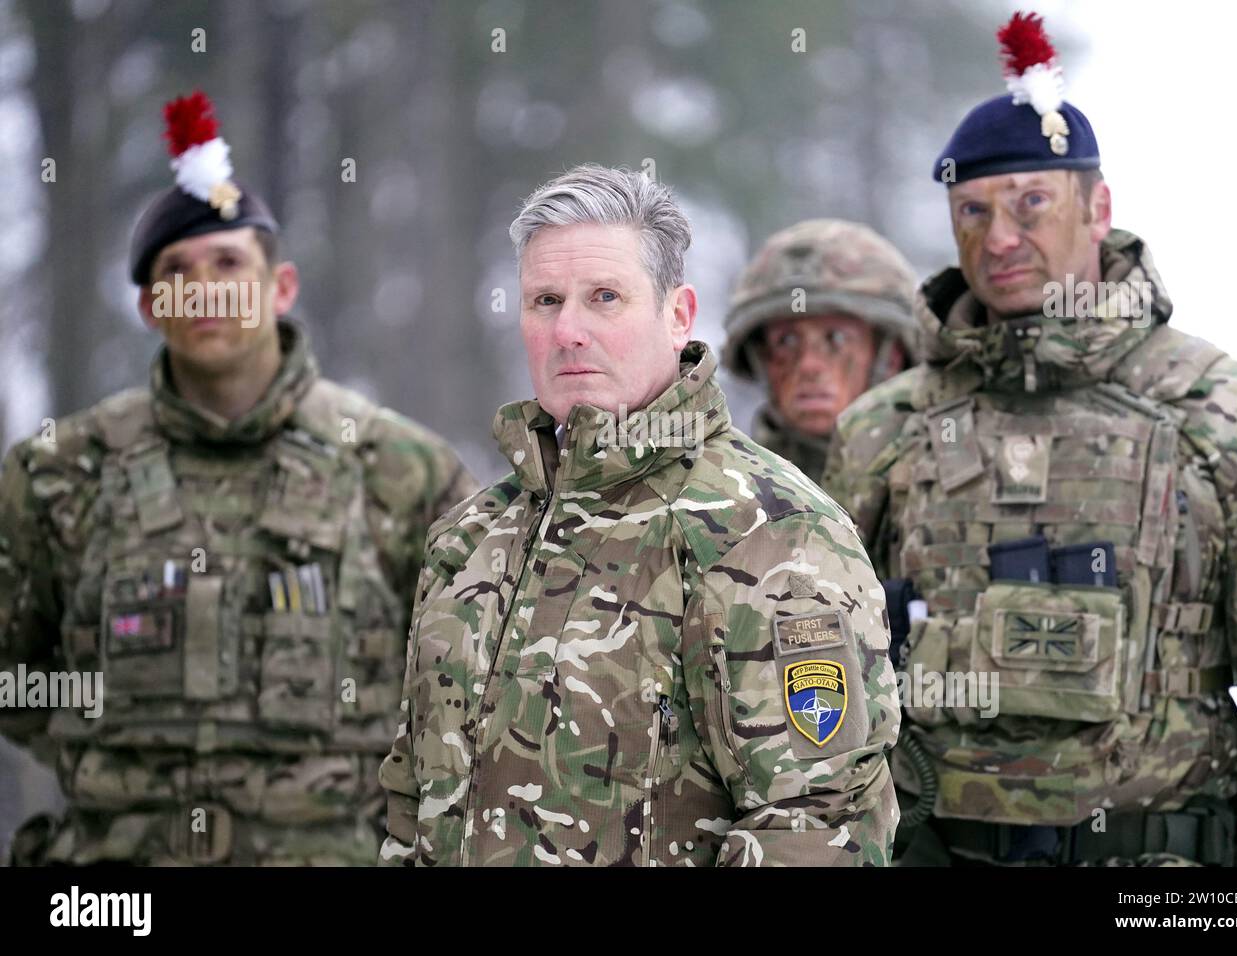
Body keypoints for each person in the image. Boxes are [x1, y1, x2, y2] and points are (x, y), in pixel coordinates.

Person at [824, 12, 1237, 866]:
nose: (1001, 238)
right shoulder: (881, 430)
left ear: (1099, 206)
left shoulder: (1233, 415)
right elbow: (819, 672)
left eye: (1032, 203)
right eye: (973, 211)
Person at [0, 91, 478, 865]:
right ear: (153, 306)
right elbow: (15, 679)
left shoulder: (397, 469)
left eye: (229, 262)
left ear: (280, 287)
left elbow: (465, 688)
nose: (206, 287)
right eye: (178, 272)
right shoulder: (60, 473)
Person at [378, 164, 900, 866]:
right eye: (544, 301)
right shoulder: (469, 539)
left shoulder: (771, 532)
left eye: (604, 298)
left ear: (677, 312)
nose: (568, 330)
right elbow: (412, 805)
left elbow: (819, 825)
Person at [721, 219, 917, 484]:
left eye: (836, 338)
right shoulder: (723, 494)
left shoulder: (942, 488)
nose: (808, 365)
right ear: (760, 359)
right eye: (786, 341)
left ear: (891, 356)